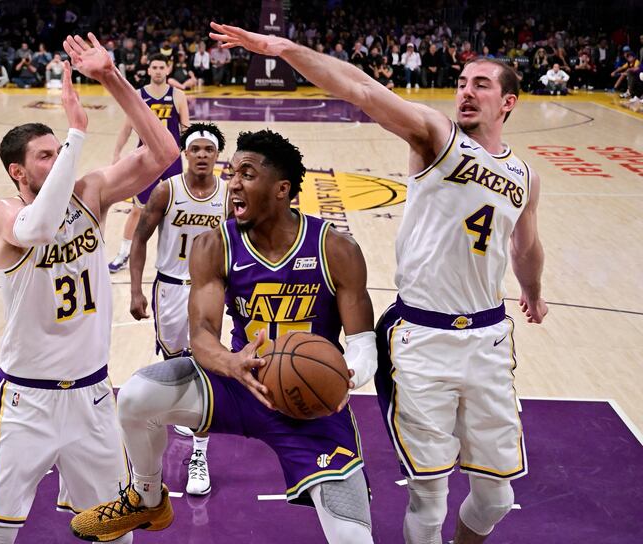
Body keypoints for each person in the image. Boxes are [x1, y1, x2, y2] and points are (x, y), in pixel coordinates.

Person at [208, 21, 547, 544]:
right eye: (461, 82)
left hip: (489, 338)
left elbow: (524, 245)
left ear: (510, 102)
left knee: (496, 498)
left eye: (481, 84)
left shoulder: (525, 174)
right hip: (422, 338)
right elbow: (362, 88)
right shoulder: (437, 137)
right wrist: (283, 48)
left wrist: (534, 289)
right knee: (430, 501)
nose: (465, 91)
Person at [70, 129, 379, 544]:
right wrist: (230, 363)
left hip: (311, 404)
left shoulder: (334, 247)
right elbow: (202, 335)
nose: (232, 183)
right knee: (138, 396)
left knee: (354, 540)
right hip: (239, 383)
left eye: (247, 174)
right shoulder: (215, 245)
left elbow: (362, 342)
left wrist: (348, 375)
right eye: (232, 173)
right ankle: (146, 498)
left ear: (281, 189)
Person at [0, 32, 179, 544]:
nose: (57, 157)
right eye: (46, 155)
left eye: (57, 150)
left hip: (91, 398)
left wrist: (111, 78)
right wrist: (77, 134)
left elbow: (163, 151)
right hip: (27, 401)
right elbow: (38, 229)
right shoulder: (7, 213)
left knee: (113, 530)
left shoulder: (91, 193)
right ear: (18, 171)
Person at [128, 122, 229, 496]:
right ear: (186, 154)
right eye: (196, 149)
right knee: (175, 364)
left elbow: (241, 244)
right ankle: (171, 428)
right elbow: (140, 239)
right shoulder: (167, 191)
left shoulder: (229, 194)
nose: (202, 154)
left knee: (206, 366)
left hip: (212, 289)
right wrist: (136, 290)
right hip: (170, 288)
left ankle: (199, 454)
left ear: (218, 155)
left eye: (209, 149)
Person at [108, 53, 189, 273]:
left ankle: (179, 257)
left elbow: (186, 128)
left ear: (168, 69)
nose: (158, 71)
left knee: (177, 210)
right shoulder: (138, 94)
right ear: (149, 69)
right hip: (145, 159)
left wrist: (189, 151)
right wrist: (117, 154)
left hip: (172, 160)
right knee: (138, 210)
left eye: (161, 67)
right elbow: (127, 127)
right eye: (154, 67)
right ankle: (123, 254)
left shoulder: (178, 95)